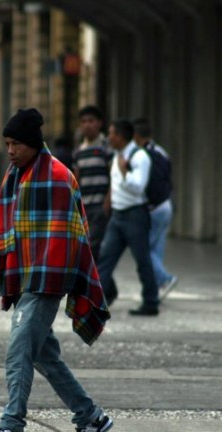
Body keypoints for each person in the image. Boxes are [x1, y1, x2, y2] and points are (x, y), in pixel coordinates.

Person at [0, 108, 112, 432]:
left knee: (19, 351)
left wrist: (48, 275)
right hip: (26, 276)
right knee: (42, 356)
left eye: (16, 144)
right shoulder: (16, 175)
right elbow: (12, 226)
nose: (10, 150)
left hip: (48, 277)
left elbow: (69, 235)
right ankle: (91, 417)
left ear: (33, 144)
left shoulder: (58, 176)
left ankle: (11, 428)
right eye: (7, 143)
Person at [97, 119, 160, 316]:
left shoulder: (139, 157)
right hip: (117, 215)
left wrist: (125, 173)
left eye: (111, 134)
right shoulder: (118, 155)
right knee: (105, 258)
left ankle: (151, 302)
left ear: (121, 136)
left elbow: (138, 187)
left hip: (135, 215)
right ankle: (95, 303)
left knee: (142, 260)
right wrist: (109, 201)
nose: (109, 137)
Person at [132, 118, 178, 299]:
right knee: (156, 249)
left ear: (136, 136)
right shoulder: (161, 151)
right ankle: (158, 286)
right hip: (166, 205)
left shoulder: (141, 155)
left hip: (153, 208)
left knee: (144, 250)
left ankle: (165, 278)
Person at [72, 105, 112, 262]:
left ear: (99, 123)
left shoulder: (106, 147)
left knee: (93, 246)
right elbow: (76, 179)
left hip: (100, 205)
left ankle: (95, 275)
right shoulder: (78, 152)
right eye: (83, 121)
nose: (87, 125)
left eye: (91, 121)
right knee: (86, 245)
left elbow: (113, 176)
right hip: (84, 206)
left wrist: (107, 202)